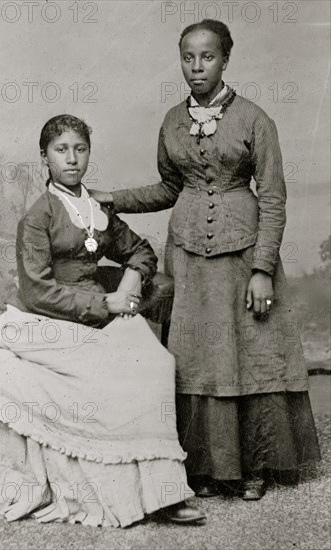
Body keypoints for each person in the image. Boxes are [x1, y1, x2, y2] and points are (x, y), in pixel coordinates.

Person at [91, 19, 320, 500]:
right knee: (197, 357)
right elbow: (169, 188)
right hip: (190, 258)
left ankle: (254, 469)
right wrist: (114, 197)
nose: (197, 67)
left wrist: (262, 269)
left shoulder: (256, 119)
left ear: (225, 59)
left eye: (208, 57)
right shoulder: (173, 120)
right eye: (188, 58)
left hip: (243, 256)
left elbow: (274, 198)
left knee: (249, 354)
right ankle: (207, 469)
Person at [0, 114, 206, 527]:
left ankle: (163, 492)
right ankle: (125, 492)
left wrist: (130, 280)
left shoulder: (95, 209)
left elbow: (141, 250)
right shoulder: (37, 218)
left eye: (80, 149)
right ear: (45, 157)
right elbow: (38, 290)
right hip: (47, 321)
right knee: (111, 373)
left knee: (158, 363)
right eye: (61, 150)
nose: (72, 159)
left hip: (103, 308)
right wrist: (105, 306)